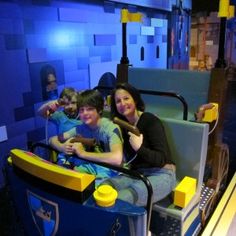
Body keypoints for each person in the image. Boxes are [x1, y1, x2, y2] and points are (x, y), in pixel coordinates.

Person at [101, 83, 176, 206]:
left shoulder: (150, 120)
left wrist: (139, 148)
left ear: (135, 99)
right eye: (118, 101)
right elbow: (128, 160)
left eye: (126, 98)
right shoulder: (122, 125)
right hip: (138, 174)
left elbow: (162, 159)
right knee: (105, 188)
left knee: (123, 197)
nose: (123, 103)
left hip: (162, 173)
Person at [49, 89, 123, 183]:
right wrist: (62, 147)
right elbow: (53, 139)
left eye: (89, 109)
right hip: (92, 168)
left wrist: (83, 153)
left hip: (113, 173)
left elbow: (117, 158)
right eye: (82, 110)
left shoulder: (110, 128)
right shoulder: (81, 128)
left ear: (99, 110)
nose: (85, 113)